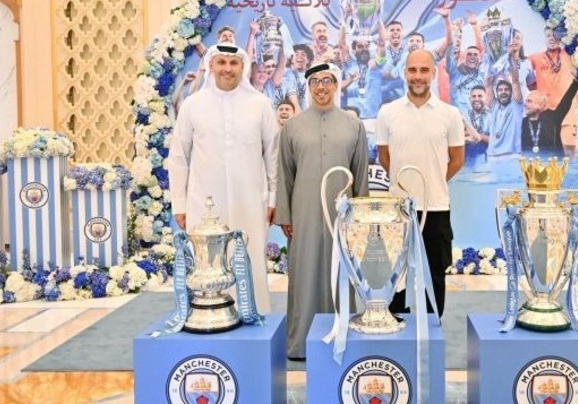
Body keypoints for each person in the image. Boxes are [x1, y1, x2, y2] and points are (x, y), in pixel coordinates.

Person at [166, 43, 279, 315]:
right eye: (221, 62)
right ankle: (208, 316)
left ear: (243, 67)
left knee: (250, 255)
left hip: (250, 198)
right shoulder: (193, 105)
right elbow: (179, 157)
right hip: (204, 201)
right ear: (211, 66)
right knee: (207, 261)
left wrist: (273, 198)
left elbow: (273, 156)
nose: (227, 69)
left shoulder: (260, 105)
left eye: (233, 63)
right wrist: (179, 205)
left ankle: (255, 314)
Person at [275, 62, 369, 360]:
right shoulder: (293, 126)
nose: (321, 87)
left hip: (344, 216)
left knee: (342, 272)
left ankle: (343, 337)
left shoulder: (354, 124)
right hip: (303, 213)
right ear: (308, 86)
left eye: (327, 80)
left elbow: (362, 174)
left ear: (336, 85)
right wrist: (286, 215)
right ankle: (300, 344)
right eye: (315, 81)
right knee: (304, 273)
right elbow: (284, 174)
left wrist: (361, 218)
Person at [376, 49, 465, 318]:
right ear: (405, 73)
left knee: (433, 277)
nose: (418, 76)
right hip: (397, 211)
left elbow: (457, 160)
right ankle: (396, 336)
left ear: (433, 73)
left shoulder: (450, 114)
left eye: (424, 70)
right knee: (395, 279)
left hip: (436, 208)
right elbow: (384, 157)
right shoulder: (387, 112)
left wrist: (430, 183)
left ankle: (431, 336)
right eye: (413, 70)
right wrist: (406, 187)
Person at [529, 27, 578, 155]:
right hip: (546, 115)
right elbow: (525, 75)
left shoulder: (570, 56)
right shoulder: (535, 58)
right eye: (548, 35)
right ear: (544, 38)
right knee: (546, 153)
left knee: (569, 151)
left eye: (555, 35)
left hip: (567, 112)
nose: (552, 38)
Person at [522, 79, 578, 155]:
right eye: (526, 101)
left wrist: (575, 82)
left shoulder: (553, 117)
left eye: (529, 101)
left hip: (554, 164)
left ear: (540, 104)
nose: (525, 104)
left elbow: (566, 100)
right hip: (530, 164)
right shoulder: (522, 123)